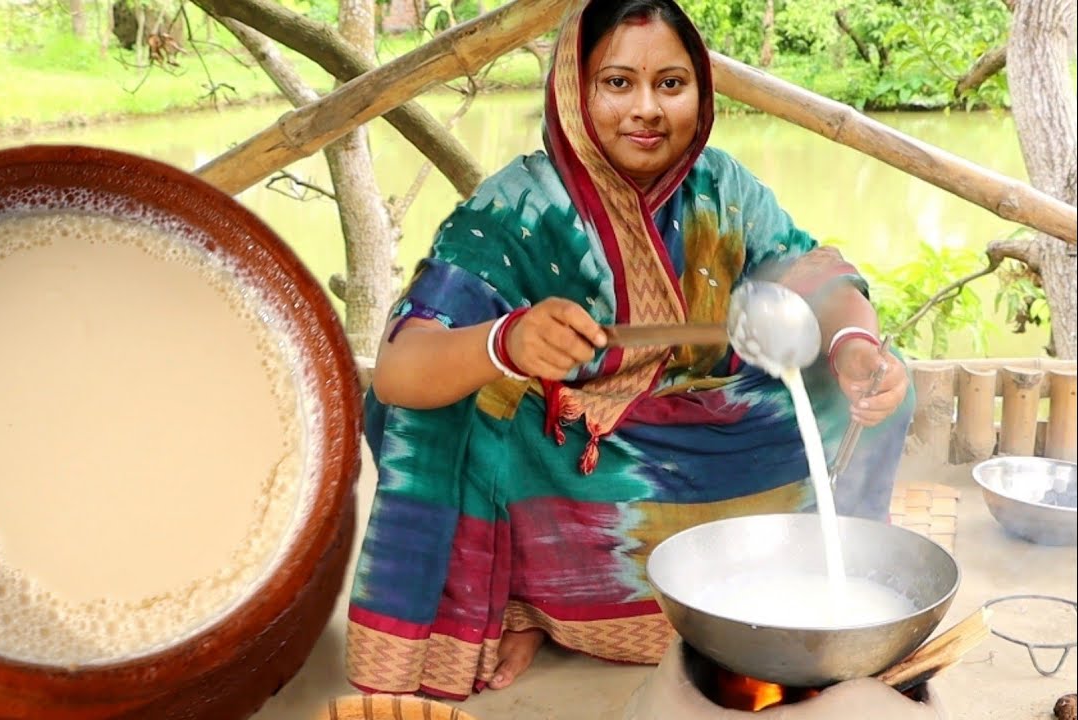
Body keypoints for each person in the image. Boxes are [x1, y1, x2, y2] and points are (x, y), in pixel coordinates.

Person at [344, 0, 914, 701]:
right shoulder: (514, 208)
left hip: (707, 444)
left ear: (700, 94)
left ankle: (823, 595)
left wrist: (856, 345)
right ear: (575, 91)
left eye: (670, 84)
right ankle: (527, 604)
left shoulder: (724, 188)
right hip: (570, 468)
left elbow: (814, 279)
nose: (646, 109)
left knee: (875, 390)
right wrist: (506, 341)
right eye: (618, 83)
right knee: (441, 411)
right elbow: (400, 373)